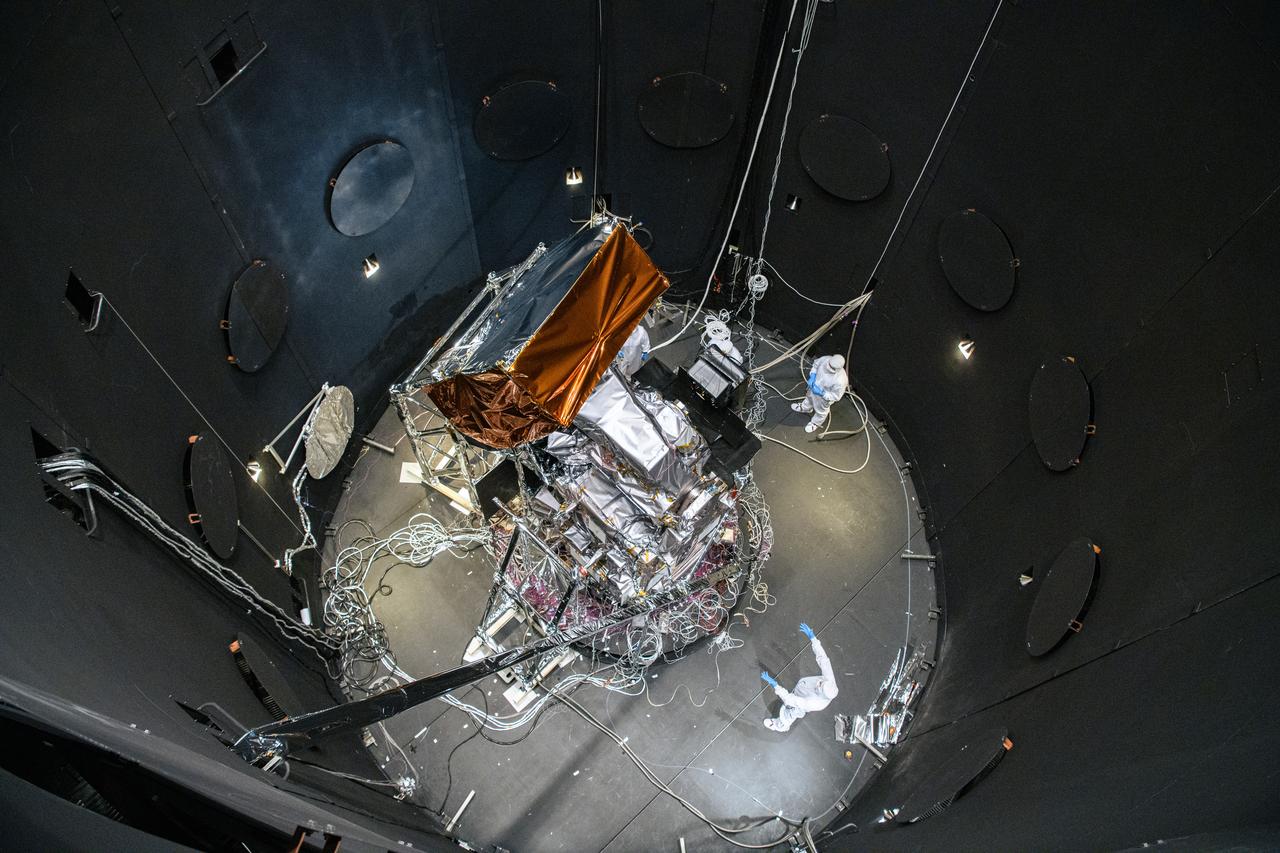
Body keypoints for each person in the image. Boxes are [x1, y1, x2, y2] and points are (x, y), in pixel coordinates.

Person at [760, 623, 838, 732]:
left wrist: (776, 686)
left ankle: (779, 725)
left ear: (820, 693)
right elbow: (823, 660)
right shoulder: (829, 681)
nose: (819, 682)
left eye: (820, 685)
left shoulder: (813, 703)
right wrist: (814, 639)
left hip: (800, 703)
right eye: (822, 681)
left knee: (791, 713)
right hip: (803, 687)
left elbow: (790, 699)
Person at [791, 354, 848, 433]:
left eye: (831, 367)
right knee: (809, 398)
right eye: (829, 364)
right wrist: (813, 375)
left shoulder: (841, 380)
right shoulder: (826, 359)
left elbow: (836, 396)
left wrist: (822, 393)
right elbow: (816, 364)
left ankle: (815, 423)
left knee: (821, 411)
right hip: (813, 386)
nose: (828, 367)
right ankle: (805, 408)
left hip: (823, 398)